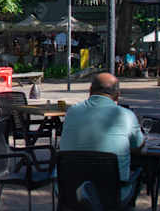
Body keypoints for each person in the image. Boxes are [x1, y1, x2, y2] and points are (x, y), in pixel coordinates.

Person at [59, 72, 144, 202]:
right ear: (117, 95)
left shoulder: (72, 112)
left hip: (70, 194)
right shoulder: (126, 115)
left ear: (90, 91)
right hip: (112, 197)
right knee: (142, 172)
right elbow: (138, 146)